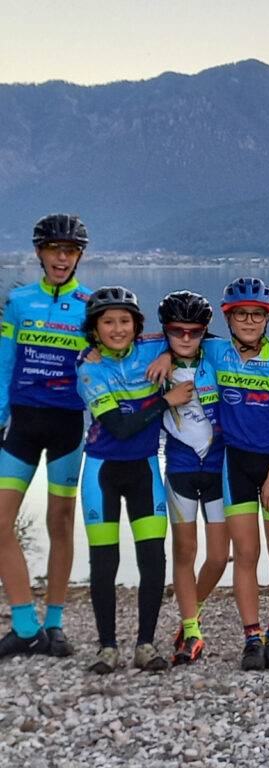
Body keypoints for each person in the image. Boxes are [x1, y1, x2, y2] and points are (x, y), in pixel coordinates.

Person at [77, 287, 192, 673]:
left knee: (152, 559)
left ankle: (145, 644)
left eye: (124, 321)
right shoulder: (90, 368)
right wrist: (165, 401)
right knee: (104, 562)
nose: (117, 328)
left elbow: (196, 336)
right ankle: (107, 647)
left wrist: (166, 353)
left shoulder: (150, 348)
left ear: (137, 326)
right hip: (101, 471)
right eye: (107, 322)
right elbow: (120, 427)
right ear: (94, 329)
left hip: (144, 470)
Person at [0, 214, 91, 660]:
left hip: (68, 428)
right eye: (54, 249)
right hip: (21, 425)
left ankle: (54, 624)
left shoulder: (91, 307)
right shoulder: (18, 303)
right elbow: (4, 361)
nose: (61, 257)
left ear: (78, 257)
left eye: (70, 250)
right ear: (39, 253)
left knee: (59, 523)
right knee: (0, 521)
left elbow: (121, 349)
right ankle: (23, 624)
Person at [208, 278, 269, 671]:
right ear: (229, 318)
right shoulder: (214, 352)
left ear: (267, 319)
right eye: (241, 314)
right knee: (245, 553)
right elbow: (176, 337)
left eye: (256, 315)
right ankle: (251, 636)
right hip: (235, 465)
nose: (249, 321)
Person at [158, 291, 228, 666]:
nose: (186, 338)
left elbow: (244, 343)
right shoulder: (155, 362)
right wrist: (162, 353)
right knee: (185, 552)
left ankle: (193, 607)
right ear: (165, 330)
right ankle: (191, 630)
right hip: (182, 468)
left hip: (218, 467)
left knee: (219, 556)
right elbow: (121, 338)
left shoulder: (215, 355)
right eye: (176, 332)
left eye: (194, 331)